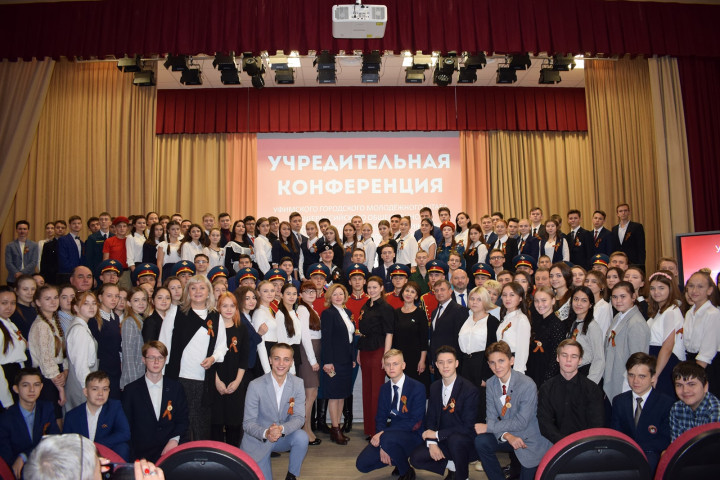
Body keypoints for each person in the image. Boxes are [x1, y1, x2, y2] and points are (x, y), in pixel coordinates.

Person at [473, 341, 552, 480]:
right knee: (481, 441)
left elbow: (521, 422)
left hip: (529, 440)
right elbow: (491, 417)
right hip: (510, 435)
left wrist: (488, 427)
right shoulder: (491, 383)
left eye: (501, 361)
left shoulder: (527, 384)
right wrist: (507, 436)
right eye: (492, 363)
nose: (497, 367)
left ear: (511, 360)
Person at [165, 275, 227, 441]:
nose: (197, 291)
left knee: (201, 426)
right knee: (180, 424)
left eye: (202, 288)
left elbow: (222, 346)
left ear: (208, 292)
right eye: (193, 288)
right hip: (179, 378)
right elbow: (163, 345)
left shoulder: (216, 316)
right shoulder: (176, 312)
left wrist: (213, 358)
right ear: (188, 292)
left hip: (204, 381)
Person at [410, 346, 478, 480]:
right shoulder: (434, 387)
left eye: (449, 362)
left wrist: (436, 435)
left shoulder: (469, 389)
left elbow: (467, 427)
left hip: (463, 441)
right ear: (436, 365)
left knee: (455, 440)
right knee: (416, 458)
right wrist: (432, 443)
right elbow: (430, 419)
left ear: (456, 363)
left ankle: (463, 476)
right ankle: (452, 465)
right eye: (441, 362)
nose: (445, 366)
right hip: (442, 440)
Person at [241, 342, 308, 480]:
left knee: (302, 437)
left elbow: (299, 417)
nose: (281, 363)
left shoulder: (298, 384)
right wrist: (267, 432)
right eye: (277, 358)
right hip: (258, 439)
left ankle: (291, 476)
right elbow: (248, 423)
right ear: (270, 360)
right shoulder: (255, 385)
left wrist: (281, 429)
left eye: (286, 359)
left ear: (291, 362)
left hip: (282, 436)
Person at [356, 349, 426, 480]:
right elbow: (380, 418)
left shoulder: (417, 387)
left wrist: (384, 436)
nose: (391, 367)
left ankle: (406, 471)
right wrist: (382, 442)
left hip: (413, 434)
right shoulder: (384, 389)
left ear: (403, 365)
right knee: (362, 464)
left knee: (388, 440)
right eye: (388, 364)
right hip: (391, 436)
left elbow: (415, 422)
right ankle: (397, 458)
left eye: (395, 364)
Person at [122, 340, 189, 462]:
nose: (156, 362)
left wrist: (174, 440)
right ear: (144, 359)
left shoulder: (176, 388)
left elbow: (183, 420)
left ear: (165, 360)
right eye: (152, 357)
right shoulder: (131, 390)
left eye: (160, 358)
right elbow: (127, 426)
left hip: (170, 450)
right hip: (141, 454)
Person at [610, 352, 674, 475]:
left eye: (642, 376)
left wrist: (637, 449)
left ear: (653, 377)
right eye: (631, 375)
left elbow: (665, 439)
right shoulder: (619, 401)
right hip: (624, 454)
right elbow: (616, 433)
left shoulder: (666, 403)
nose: (635, 381)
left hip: (652, 455)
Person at [538, 339, 605, 444]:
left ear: (580, 360)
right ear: (557, 358)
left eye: (574, 356)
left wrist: (578, 444)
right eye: (564, 355)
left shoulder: (592, 389)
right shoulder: (546, 389)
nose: (568, 360)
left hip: (584, 445)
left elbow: (596, 424)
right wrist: (564, 443)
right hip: (555, 444)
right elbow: (545, 424)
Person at [0, 368, 60, 478]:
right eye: (25, 385)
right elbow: (6, 456)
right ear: (16, 389)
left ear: (41, 387)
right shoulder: (5, 419)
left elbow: (54, 440)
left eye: (36, 385)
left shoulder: (47, 408)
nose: (32, 390)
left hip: (47, 468)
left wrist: (24, 456)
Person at [62, 370, 131, 460]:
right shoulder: (72, 416)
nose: (100, 394)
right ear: (86, 392)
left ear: (109, 391)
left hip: (105, 453)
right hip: (81, 457)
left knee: (123, 447)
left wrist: (95, 445)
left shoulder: (114, 407)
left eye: (105, 389)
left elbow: (124, 433)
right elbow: (66, 444)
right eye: (95, 389)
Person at [357, 276, 395, 437]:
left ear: (381, 288)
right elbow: (362, 332)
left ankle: (377, 429)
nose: (371, 290)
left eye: (374, 287)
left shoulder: (386, 307)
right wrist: (359, 352)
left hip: (378, 349)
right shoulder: (365, 305)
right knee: (366, 390)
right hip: (365, 349)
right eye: (369, 287)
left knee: (377, 392)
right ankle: (369, 429)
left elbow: (389, 333)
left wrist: (386, 356)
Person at [210, 292, 249, 446]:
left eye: (232, 306)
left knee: (234, 424)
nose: (228, 309)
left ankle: (233, 455)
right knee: (216, 424)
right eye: (224, 306)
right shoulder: (212, 329)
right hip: (215, 381)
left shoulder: (242, 329)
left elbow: (244, 359)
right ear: (218, 308)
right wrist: (217, 381)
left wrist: (237, 381)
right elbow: (208, 358)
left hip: (235, 381)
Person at [457, 286, 500, 423]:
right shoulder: (466, 319)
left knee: (480, 402)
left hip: (481, 364)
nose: (474, 302)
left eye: (479, 299)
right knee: (465, 400)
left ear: (485, 301)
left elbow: (493, 350)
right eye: (472, 299)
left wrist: (487, 376)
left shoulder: (492, 321)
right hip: (465, 364)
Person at [320, 284, 356, 445]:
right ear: (329, 297)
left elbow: (351, 337)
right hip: (334, 362)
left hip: (346, 360)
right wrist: (327, 361)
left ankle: (338, 427)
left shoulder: (347, 313)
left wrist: (353, 357)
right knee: (334, 396)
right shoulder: (328, 314)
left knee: (342, 395)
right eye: (335, 294)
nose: (338, 297)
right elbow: (326, 339)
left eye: (341, 294)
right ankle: (335, 429)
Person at [604, 281, 651, 403]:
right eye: (614, 297)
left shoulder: (636, 323)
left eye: (623, 296)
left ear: (633, 297)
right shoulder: (619, 316)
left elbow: (638, 359)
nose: (618, 301)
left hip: (625, 379)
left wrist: (630, 381)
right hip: (614, 373)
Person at [28, 285, 67, 416]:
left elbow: (61, 352)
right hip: (47, 377)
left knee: (59, 415)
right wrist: (60, 388)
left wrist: (65, 371)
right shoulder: (41, 325)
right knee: (53, 417)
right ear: (38, 302)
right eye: (47, 299)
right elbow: (46, 359)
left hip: (57, 372)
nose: (53, 301)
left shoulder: (54, 321)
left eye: (55, 297)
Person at [647, 271, 686, 398]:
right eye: (652, 288)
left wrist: (656, 374)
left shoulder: (671, 311)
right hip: (655, 358)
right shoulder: (658, 311)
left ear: (670, 289)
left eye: (661, 288)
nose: (656, 292)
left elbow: (668, 346)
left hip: (665, 362)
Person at [682, 270, 720, 396]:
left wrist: (693, 376)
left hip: (708, 365)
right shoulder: (689, 313)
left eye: (700, 286)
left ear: (709, 290)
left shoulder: (713, 314)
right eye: (691, 286)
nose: (694, 290)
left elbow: (707, 351)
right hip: (691, 362)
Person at [295, 281, 322, 444]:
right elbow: (305, 337)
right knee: (309, 394)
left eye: (313, 291)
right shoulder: (303, 309)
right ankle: (305, 430)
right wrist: (312, 360)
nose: (311, 294)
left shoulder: (311, 309)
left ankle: (308, 428)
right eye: (307, 291)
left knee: (312, 393)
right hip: (308, 354)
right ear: (301, 295)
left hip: (313, 351)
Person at [392, 282, 430, 393]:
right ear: (402, 293)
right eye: (407, 291)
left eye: (412, 292)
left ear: (416, 296)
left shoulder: (420, 313)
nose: (409, 294)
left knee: (416, 391)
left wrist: (422, 360)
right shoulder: (396, 313)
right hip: (400, 358)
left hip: (416, 359)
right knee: (401, 390)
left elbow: (424, 340)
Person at [527, 286, 569, 386]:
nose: (540, 304)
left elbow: (556, 357)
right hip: (533, 374)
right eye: (536, 301)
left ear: (553, 301)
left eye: (544, 300)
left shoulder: (557, 325)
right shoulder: (536, 322)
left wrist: (547, 382)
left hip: (547, 379)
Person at [669, 361, 720, 441]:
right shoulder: (677, 408)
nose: (685, 390)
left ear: (705, 386)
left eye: (691, 384)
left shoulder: (715, 410)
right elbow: (677, 444)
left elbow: (712, 446)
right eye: (679, 385)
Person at [566, 286, 606, 384]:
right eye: (576, 299)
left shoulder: (592, 326)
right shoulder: (573, 323)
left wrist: (590, 384)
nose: (578, 304)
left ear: (590, 305)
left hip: (586, 373)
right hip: (573, 373)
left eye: (584, 300)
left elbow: (599, 358)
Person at [428, 280, 467, 367]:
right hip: (438, 360)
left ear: (450, 291)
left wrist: (457, 360)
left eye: (442, 289)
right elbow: (434, 338)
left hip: (452, 361)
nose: (439, 293)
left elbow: (461, 339)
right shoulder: (434, 312)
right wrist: (432, 360)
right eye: (436, 290)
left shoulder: (459, 310)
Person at [496, 282, 532, 374]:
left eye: (512, 295)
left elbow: (522, 350)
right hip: (501, 361)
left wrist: (518, 373)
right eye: (504, 295)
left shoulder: (521, 319)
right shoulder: (505, 317)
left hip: (513, 363)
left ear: (520, 298)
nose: (507, 298)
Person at [119, 288, 148, 389]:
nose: (141, 303)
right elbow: (128, 354)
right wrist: (134, 382)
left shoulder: (142, 319)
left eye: (143, 299)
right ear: (129, 303)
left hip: (141, 374)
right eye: (136, 300)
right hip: (133, 377)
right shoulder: (129, 322)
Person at [611, 203, 646, 269]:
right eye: (620, 211)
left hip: (633, 262)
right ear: (617, 214)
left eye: (625, 210)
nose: (623, 213)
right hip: (618, 263)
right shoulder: (614, 229)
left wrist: (641, 265)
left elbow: (641, 248)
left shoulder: (637, 227)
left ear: (629, 212)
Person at [5, 220, 39, 285]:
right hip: (13, 278)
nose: (22, 231)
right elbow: (8, 263)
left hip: (29, 277)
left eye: (24, 229)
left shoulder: (34, 245)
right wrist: (17, 273)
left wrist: (22, 273)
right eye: (20, 229)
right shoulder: (10, 246)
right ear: (16, 230)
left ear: (28, 230)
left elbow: (34, 262)